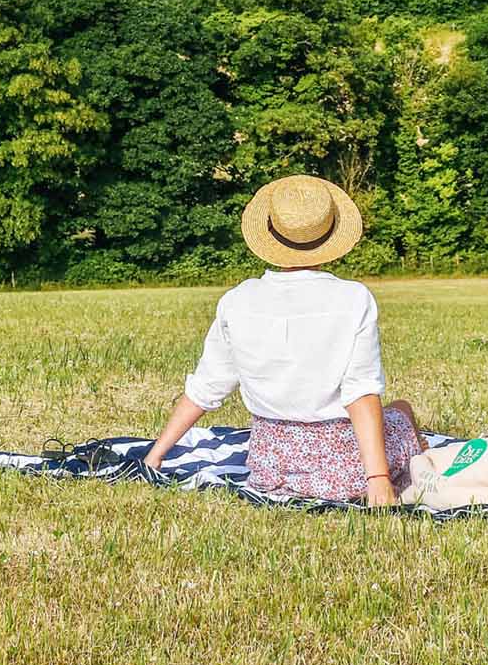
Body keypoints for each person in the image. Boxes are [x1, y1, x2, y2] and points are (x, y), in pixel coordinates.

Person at [140, 175, 425, 507]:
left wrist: (156, 455)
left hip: (269, 468)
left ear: (270, 234)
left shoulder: (237, 299)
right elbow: (360, 391)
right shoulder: (353, 298)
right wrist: (377, 479)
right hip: (346, 471)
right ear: (331, 235)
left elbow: (207, 386)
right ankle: (423, 473)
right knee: (401, 409)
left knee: (393, 413)